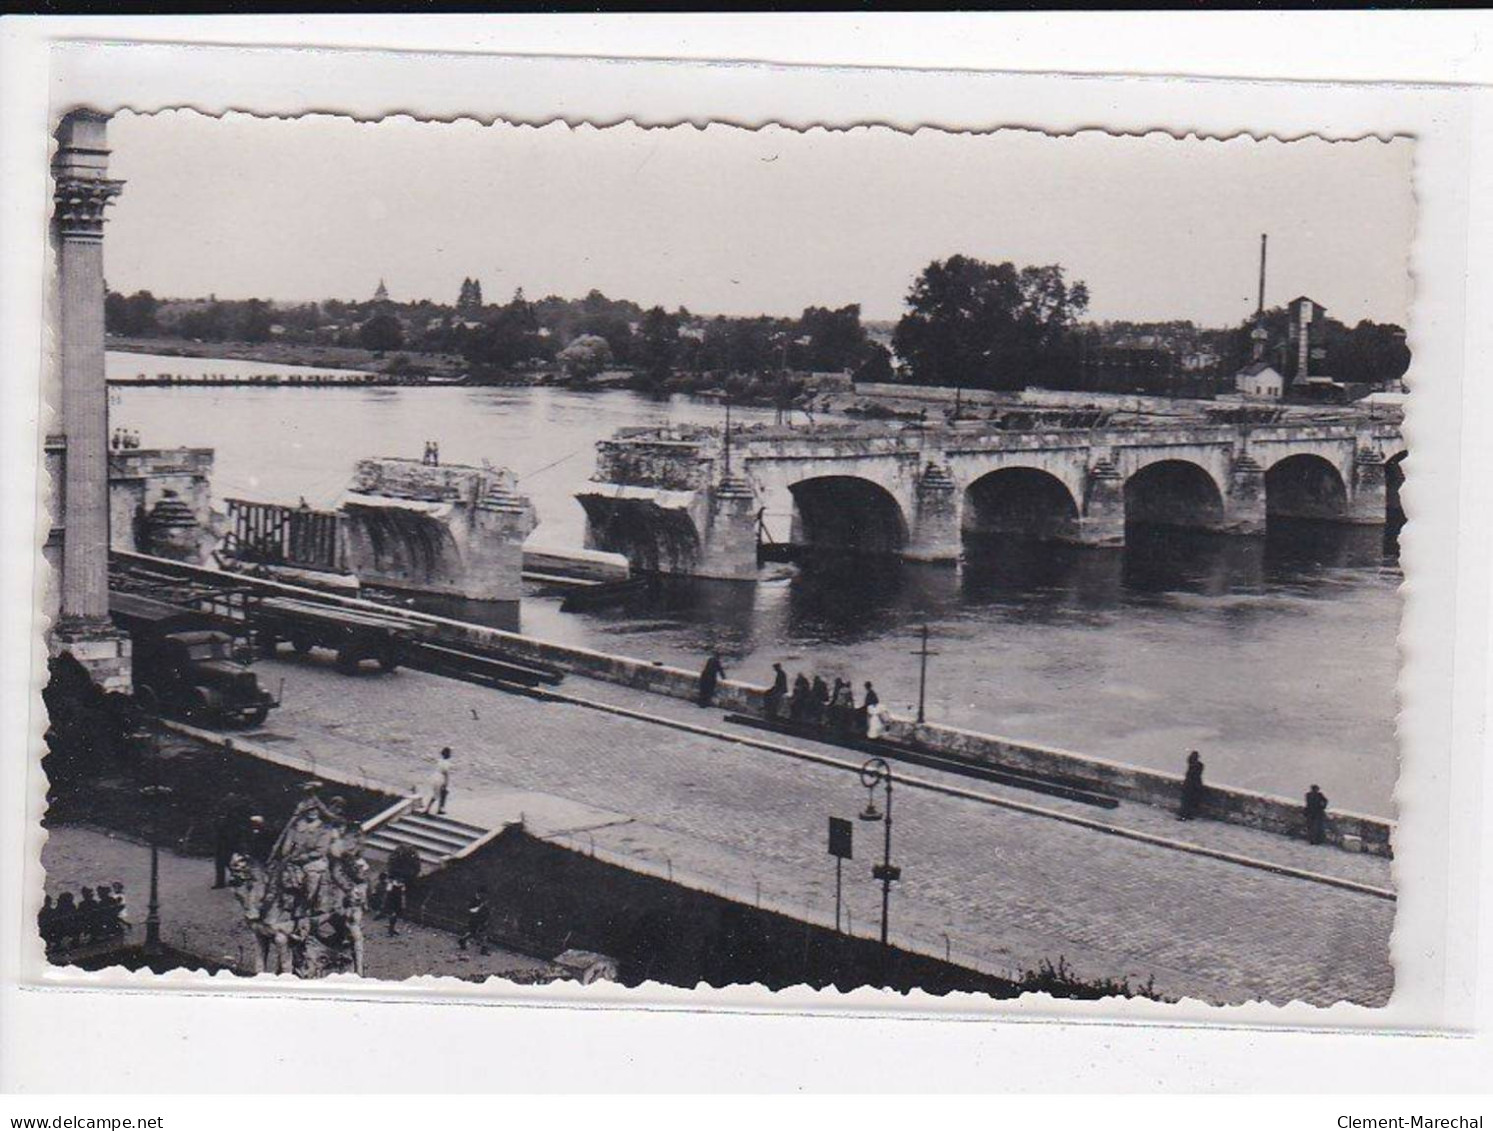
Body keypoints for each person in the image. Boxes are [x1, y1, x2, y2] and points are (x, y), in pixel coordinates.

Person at [458, 887, 491, 954]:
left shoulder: (482, 901)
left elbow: (485, 911)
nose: (485, 896)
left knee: (473, 932)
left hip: (480, 919)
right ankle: (484, 949)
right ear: (480, 893)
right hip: (476, 919)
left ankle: (463, 940)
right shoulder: (476, 900)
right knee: (482, 934)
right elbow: (472, 910)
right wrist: (481, 907)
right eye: (484, 894)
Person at [421, 747, 452, 815]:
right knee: (440, 794)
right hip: (441, 778)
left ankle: (430, 808)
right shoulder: (447, 763)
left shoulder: (440, 761)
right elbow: (446, 773)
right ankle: (437, 809)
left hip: (435, 777)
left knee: (438, 794)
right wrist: (446, 783)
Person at [1178, 750, 1205, 821]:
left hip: (1190, 786)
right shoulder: (1199, 765)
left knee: (1187, 802)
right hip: (1193, 786)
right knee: (1190, 802)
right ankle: (1187, 814)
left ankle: (1185, 814)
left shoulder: (1195, 766)